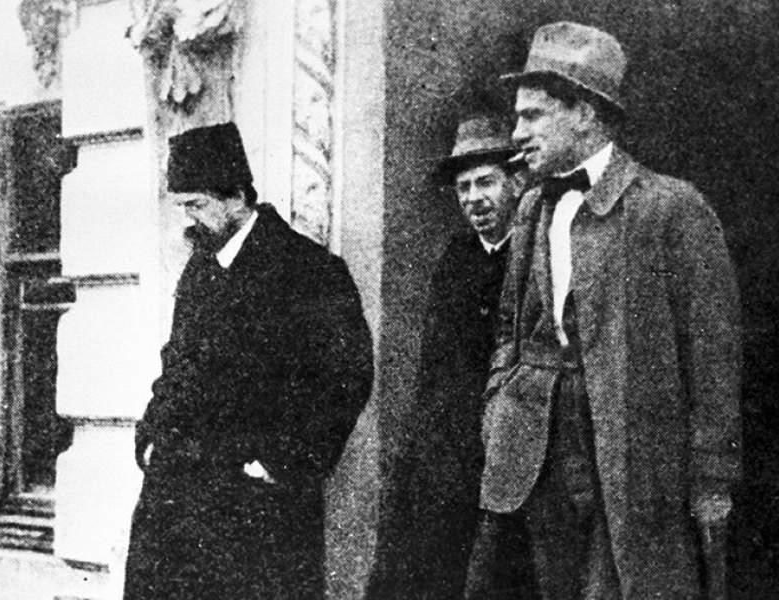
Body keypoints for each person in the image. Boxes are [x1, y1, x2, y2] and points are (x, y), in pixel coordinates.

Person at [465, 23, 742, 599]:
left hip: (632, 454)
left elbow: (713, 360)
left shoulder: (671, 208)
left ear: (585, 114)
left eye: (533, 116)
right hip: (537, 449)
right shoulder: (534, 206)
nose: (517, 134)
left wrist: (712, 480)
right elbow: (510, 328)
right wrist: (501, 403)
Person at [122, 122, 373, 600]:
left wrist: (282, 463)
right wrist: (150, 437)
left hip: (257, 503)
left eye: (197, 205)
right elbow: (176, 364)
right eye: (183, 208)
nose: (189, 220)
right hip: (176, 498)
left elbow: (347, 379)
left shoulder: (309, 271)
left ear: (236, 197)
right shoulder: (200, 270)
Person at [365, 115, 527, 599]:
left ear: (517, 182)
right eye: (463, 187)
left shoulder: (535, 255)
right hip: (446, 451)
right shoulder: (456, 258)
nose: (473, 198)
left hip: (508, 450)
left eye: (485, 182)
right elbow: (435, 367)